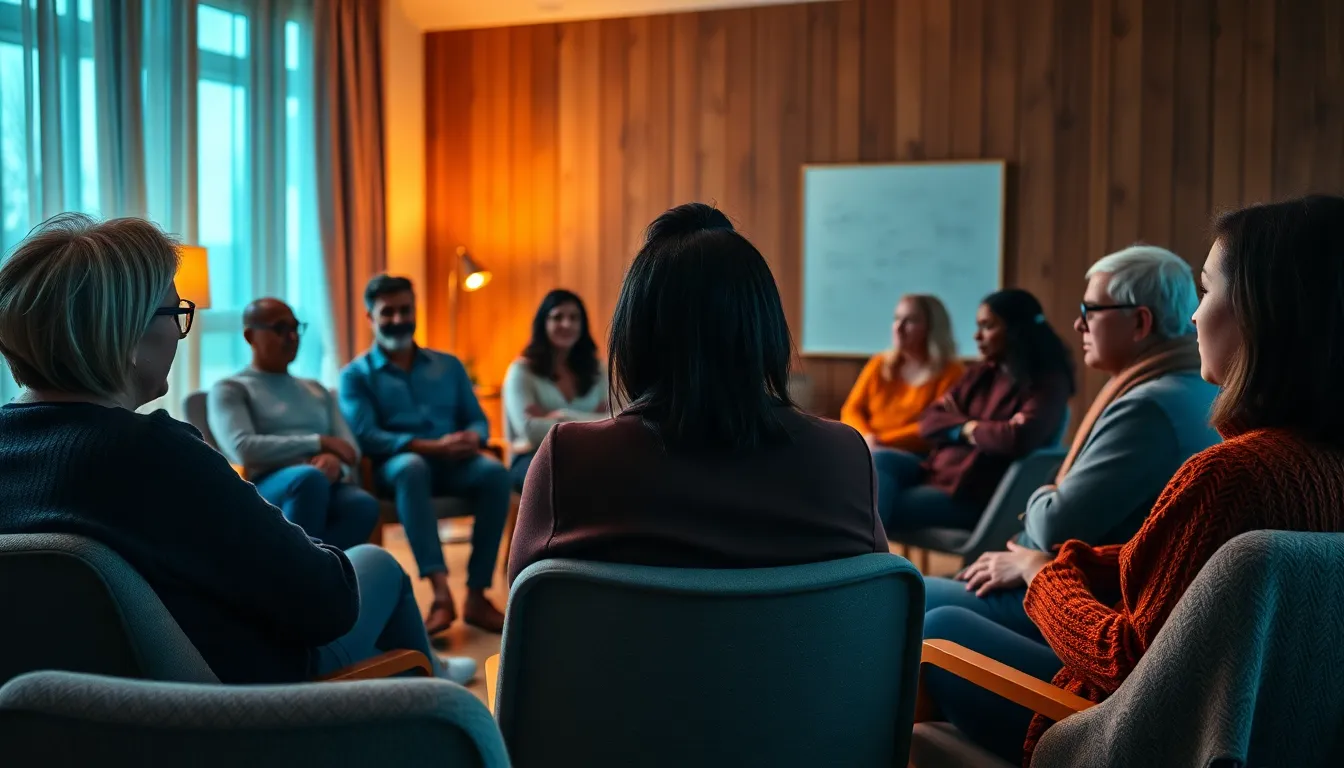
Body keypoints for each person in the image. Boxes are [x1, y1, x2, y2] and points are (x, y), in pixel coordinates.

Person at [921, 194, 1344, 765]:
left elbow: (1126, 656)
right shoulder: (1320, 463)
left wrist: (1045, 575)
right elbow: (1183, 573)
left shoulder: (1234, 473)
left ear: (1263, 313)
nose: (1195, 316)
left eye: (1207, 290)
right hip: (1264, 736)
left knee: (938, 627)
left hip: (1126, 735)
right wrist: (1074, 562)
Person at [0, 213, 475, 686]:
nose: (179, 334)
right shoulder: (158, 455)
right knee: (378, 566)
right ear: (127, 335)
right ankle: (432, 709)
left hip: (65, 714)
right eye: (176, 314)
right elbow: (327, 604)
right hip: (233, 710)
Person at [507, 203, 885, 584]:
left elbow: (529, 619)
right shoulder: (843, 457)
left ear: (634, 333)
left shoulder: (569, 460)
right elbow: (873, 609)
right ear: (764, 328)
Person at [929, 246, 1221, 641]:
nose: (1078, 325)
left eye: (1090, 311)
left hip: (1076, 601)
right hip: (1068, 579)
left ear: (1139, 322)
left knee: (905, 598)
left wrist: (1043, 492)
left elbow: (1055, 525)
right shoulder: (1189, 387)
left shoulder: (1148, 407)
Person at [339, 275, 509, 635]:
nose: (399, 319)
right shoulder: (355, 376)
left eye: (406, 309)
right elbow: (367, 435)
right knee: (412, 468)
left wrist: (471, 438)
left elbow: (477, 419)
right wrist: (432, 446)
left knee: (495, 473)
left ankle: (477, 596)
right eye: (388, 312)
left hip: (454, 464)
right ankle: (441, 595)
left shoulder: (449, 365)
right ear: (370, 318)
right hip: (396, 468)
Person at [875, 289, 1074, 534]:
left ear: (1016, 329)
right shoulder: (982, 372)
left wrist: (960, 424)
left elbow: (1016, 439)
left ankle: (863, 566)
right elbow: (929, 420)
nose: (976, 336)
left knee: (874, 506)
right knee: (880, 460)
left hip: (974, 495)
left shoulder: (1048, 383)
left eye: (987, 326)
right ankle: (865, 563)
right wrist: (971, 428)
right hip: (936, 473)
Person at [207, 298, 379, 550]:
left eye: (295, 328)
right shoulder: (231, 388)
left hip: (322, 479)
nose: (292, 337)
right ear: (250, 336)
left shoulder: (317, 389)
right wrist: (318, 442)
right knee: (309, 479)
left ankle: (317, 577)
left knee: (364, 505)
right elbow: (242, 448)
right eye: (280, 328)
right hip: (267, 484)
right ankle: (300, 578)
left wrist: (337, 464)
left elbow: (349, 449)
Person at [502, 289, 608, 492]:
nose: (566, 324)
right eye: (557, 317)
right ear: (543, 323)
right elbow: (530, 431)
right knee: (571, 477)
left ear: (583, 325)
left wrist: (561, 416)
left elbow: (615, 421)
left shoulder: (598, 369)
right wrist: (593, 419)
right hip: (532, 458)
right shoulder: (521, 371)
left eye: (574, 318)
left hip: (588, 453)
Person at [840, 294, 964, 454]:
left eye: (910, 320)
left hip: (912, 454)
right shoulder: (879, 363)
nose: (899, 327)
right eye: (896, 318)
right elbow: (851, 409)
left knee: (878, 459)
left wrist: (881, 441)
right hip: (867, 445)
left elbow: (935, 424)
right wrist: (865, 436)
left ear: (932, 328)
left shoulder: (951, 373)